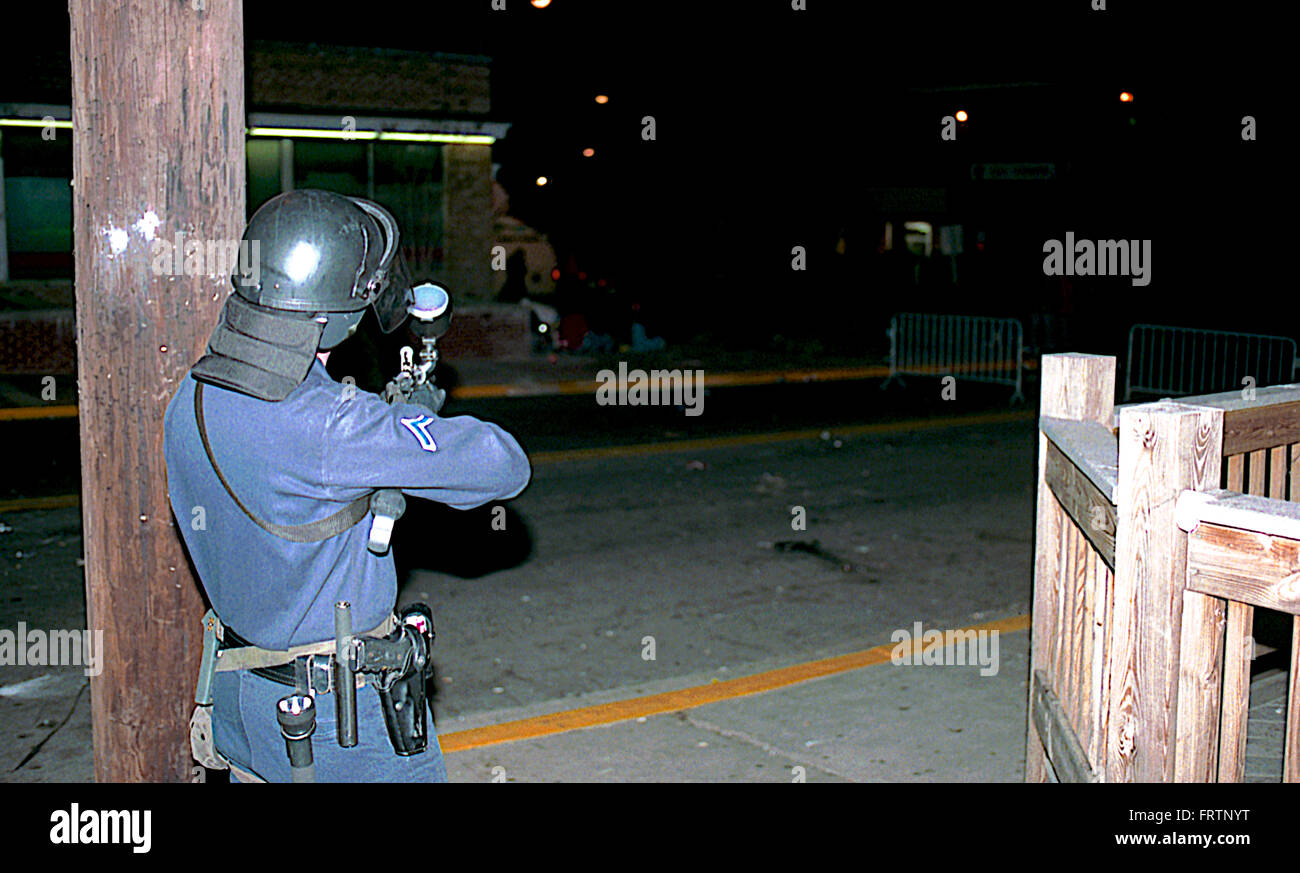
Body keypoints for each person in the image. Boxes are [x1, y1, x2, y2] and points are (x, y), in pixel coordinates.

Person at [163, 189, 530, 782]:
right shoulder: (335, 426)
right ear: (337, 314)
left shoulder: (193, 397)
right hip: (338, 722)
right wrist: (408, 425)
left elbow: (287, 477)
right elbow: (502, 465)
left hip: (241, 700)